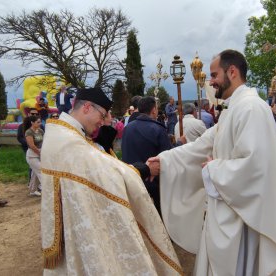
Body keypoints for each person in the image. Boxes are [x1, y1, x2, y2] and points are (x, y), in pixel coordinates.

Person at [148, 50, 276, 275]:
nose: (210, 81)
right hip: (230, 206)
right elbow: (203, 145)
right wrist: (166, 160)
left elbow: (255, 167)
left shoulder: (251, 108)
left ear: (232, 71)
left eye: (214, 75)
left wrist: (214, 169)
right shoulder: (233, 108)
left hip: (246, 218)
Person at [40, 88, 181, 275]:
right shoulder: (68, 140)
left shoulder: (64, 133)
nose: (103, 120)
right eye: (103, 114)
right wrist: (146, 168)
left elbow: (96, 167)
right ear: (87, 108)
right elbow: (105, 173)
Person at [121, 96, 175, 216]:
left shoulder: (128, 128)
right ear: (154, 110)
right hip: (153, 184)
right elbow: (168, 157)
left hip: (132, 180)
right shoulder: (157, 129)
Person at [25, 116, 44, 196]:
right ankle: (46, 190)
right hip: (32, 155)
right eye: (38, 122)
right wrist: (40, 153)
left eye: (40, 122)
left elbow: (44, 141)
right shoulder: (29, 132)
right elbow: (32, 146)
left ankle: (32, 190)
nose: (40, 124)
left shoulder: (40, 130)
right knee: (41, 171)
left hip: (40, 152)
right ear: (32, 122)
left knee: (35, 174)